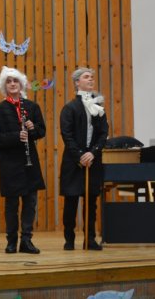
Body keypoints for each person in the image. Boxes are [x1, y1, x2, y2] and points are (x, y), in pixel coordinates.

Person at [0, 67, 45, 254]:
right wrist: (15, 136)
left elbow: (41, 131)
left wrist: (32, 128)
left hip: (30, 162)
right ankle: (11, 241)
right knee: (11, 204)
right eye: (9, 81)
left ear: (21, 84)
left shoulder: (32, 107)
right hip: (9, 163)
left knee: (30, 202)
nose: (12, 84)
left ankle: (26, 240)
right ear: (4, 86)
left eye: (16, 81)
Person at [59, 68, 108, 251]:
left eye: (92, 77)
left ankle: (90, 239)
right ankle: (69, 239)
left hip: (93, 160)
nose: (91, 79)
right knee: (71, 202)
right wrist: (80, 155)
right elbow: (67, 135)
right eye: (86, 77)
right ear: (77, 82)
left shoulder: (98, 107)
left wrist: (93, 153)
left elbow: (103, 134)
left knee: (91, 202)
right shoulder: (70, 108)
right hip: (74, 161)